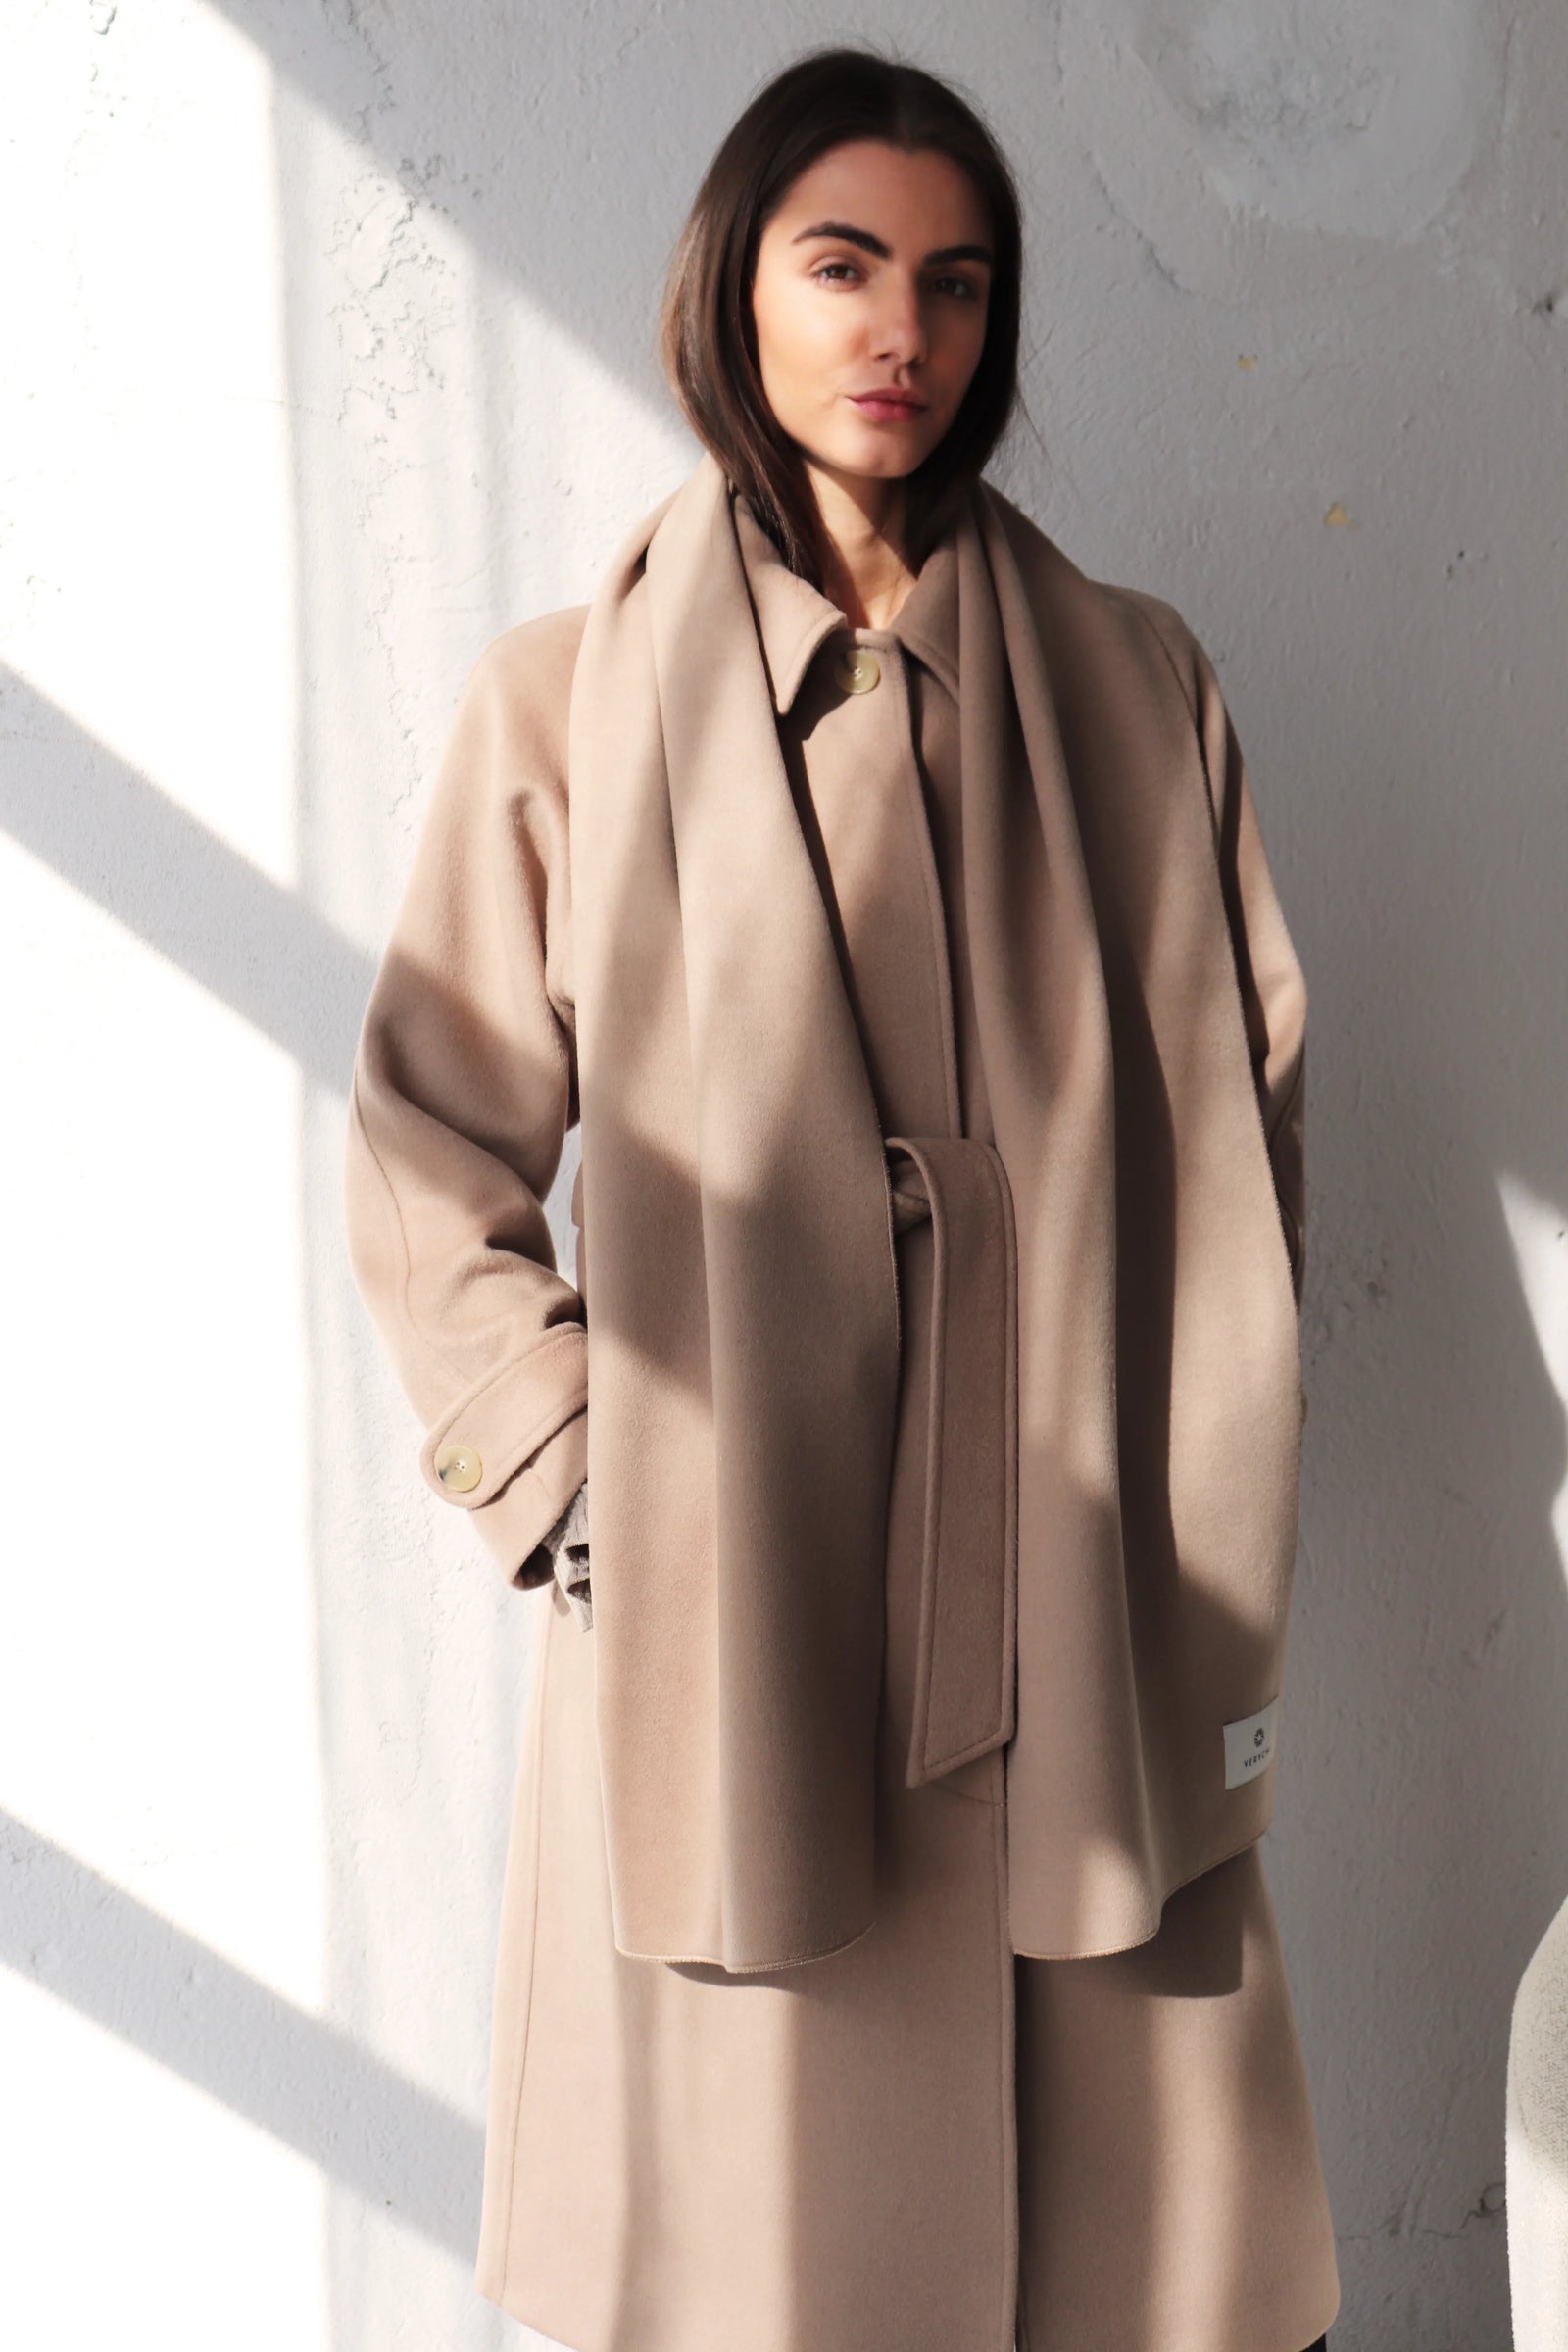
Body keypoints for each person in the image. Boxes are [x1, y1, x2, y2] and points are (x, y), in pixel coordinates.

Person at [343, 44, 1340, 2352]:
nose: (904, 328)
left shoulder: (1135, 685)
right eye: (842, 264)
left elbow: (1258, 1116)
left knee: (1154, 2258)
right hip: (739, 1592)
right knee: (757, 2254)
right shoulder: (562, 709)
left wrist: (1181, 1433)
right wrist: (583, 1482)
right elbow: (425, 1145)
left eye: (956, 282)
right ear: (734, 289)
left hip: (1079, 1584)